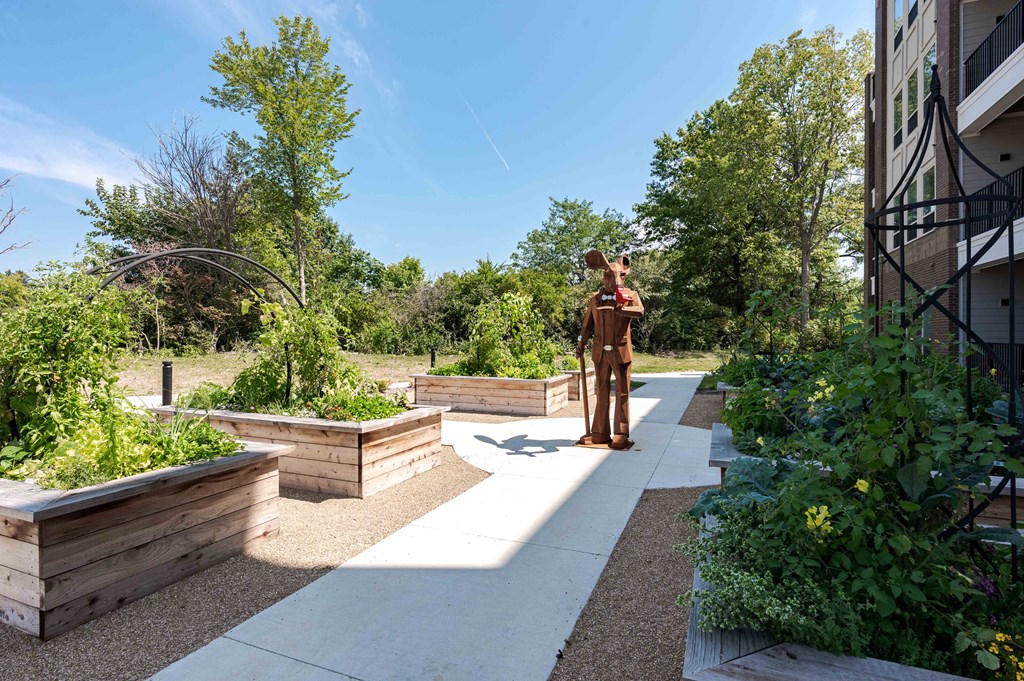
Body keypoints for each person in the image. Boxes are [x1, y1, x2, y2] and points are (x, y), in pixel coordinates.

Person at [576, 250, 644, 450]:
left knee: (622, 392)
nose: (613, 281)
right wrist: (581, 343)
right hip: (600, 352)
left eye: (618, 276)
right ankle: (599, 432)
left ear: (624, 274)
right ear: (603, 277)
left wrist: (622, 309)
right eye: (608, 276)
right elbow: (586, 326)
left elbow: (640, 311)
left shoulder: (630, 296)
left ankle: (621, 433)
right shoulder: (595, 298)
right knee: (602, 391)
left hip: (621, 352)